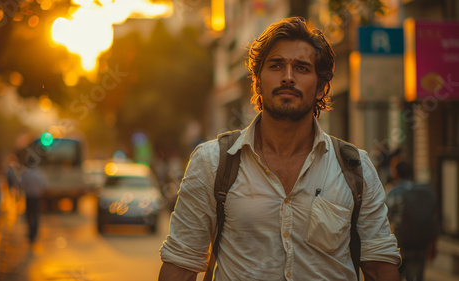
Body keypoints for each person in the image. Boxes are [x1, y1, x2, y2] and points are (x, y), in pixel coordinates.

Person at [158, 17, 400, 280]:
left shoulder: (356, 168)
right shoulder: (213, 162)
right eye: (276, 66)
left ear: (320, 88)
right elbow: (181, 265)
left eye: (302, 68)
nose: (287, 77)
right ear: (258, 82)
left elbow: (380, 267)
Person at [386, 160, 438, 281]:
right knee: (416, 276)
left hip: (401, 244)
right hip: (422, 243)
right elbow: (434, 218)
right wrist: (434, 244)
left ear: (396, 174)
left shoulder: (394, 192)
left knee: (396, 275)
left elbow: (385, 217)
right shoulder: (426, 191)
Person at [18, 157, 48, 244]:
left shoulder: (25, 174)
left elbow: (20, 185)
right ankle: (34, 232)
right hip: (36, 197)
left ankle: (31, 232)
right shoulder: (39, 174)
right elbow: (45, 185)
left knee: (29, 215)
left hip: (28, 197)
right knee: (35, 215)